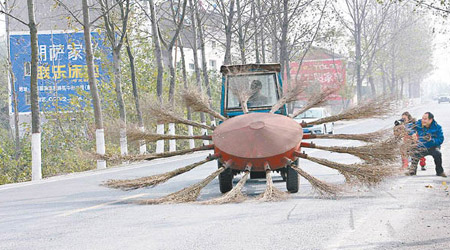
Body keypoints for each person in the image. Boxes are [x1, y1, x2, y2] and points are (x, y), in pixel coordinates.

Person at [407, 112, 446, 177]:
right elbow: (408, 126)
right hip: (421, 146)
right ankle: (412, 171)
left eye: (425, 119)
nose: (423, 120)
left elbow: (440, 139)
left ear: (430, 120)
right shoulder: (418, 123)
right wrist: (413, 133)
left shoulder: (437, 127)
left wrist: (431, 140)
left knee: (438, 154)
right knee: (414, 151)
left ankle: (440, 172)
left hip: (433, 147)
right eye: (422, 118)